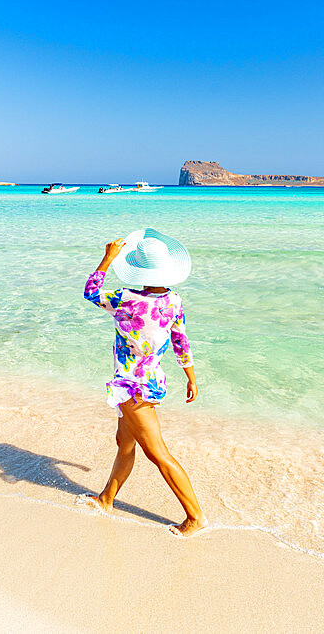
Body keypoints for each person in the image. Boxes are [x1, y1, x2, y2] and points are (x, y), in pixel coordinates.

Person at [79, 228, 207, 537]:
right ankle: (106, 499)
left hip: (132, 387)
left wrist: (107, 257)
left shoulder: (124, 298)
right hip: (150, 382)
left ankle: (195, 517)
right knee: (124, 444)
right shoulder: (174, 301)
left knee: (157, 453)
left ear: (137, 268)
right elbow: (181, 342)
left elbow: (90, 291)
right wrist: (190, 377)